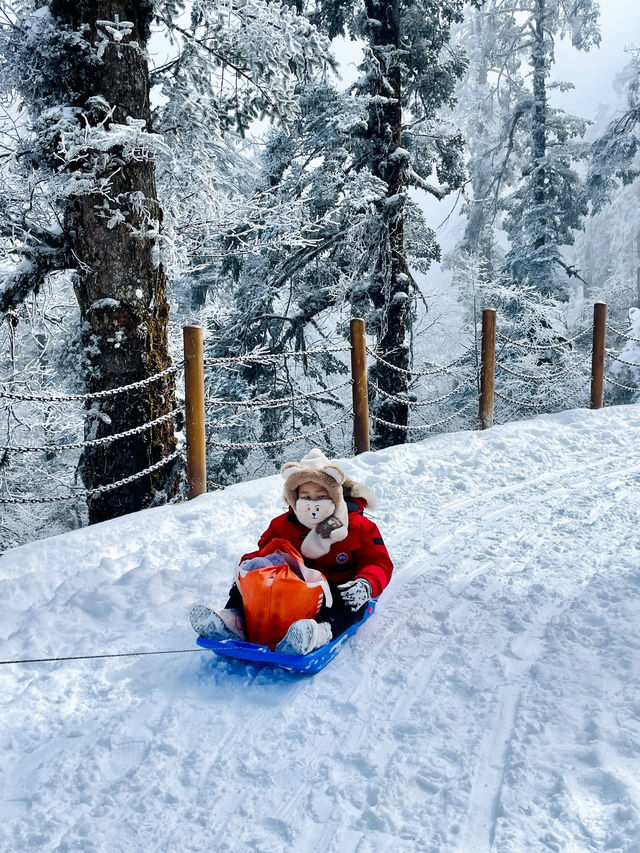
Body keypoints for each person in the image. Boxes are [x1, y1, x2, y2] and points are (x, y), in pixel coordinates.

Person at [189, 448, 394, 655]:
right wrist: (249, 566)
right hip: (295, 593)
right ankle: (233, 620)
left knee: (349, 604)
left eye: (321, 496)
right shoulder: (282, 526)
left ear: (334, 497)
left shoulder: (358, 526)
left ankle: (318, 634)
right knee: (250, 579)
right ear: (294, 498)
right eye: (306, 496)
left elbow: (379, 562)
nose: (313, 503)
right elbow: (265, 553)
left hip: (336, 592)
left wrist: (367, 583)